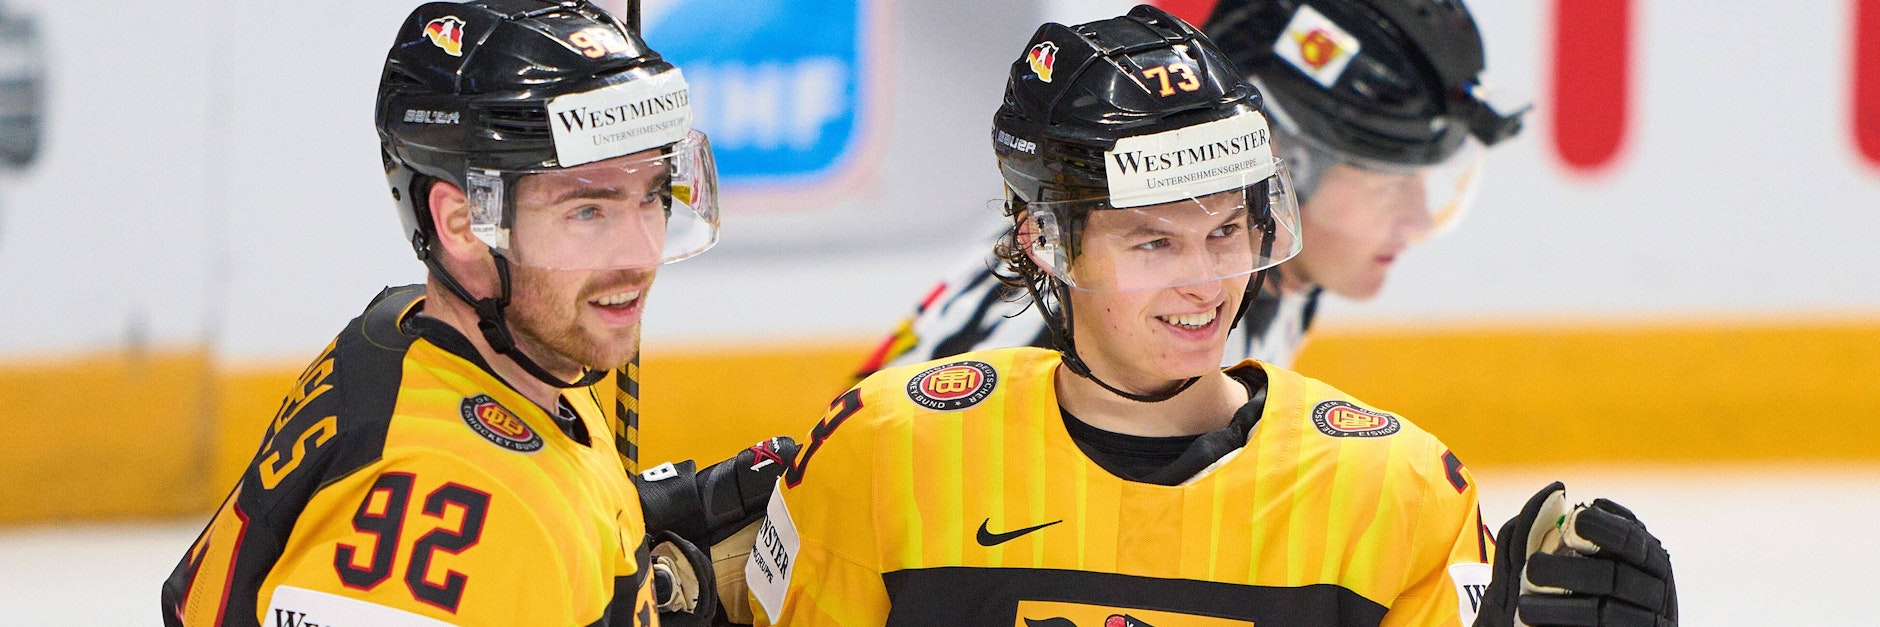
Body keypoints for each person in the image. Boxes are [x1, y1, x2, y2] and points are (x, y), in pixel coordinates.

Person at [747, 7, 1675, 626]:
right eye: (1388, 176)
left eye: (1228, 230)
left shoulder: (1224, 283)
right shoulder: (1051, 348)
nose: (1205, 280)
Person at [160, 1, 751, 624]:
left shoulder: (453, 346)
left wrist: (632, 538)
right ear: (462, 223)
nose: (640, 253)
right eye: (588, 211)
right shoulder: (458, 509)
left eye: (652, 195)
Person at [855, 0, 1527, 377]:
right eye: (1389, 185)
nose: (1413, 220)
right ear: (1279, 161)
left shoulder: (1256, 278)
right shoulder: (1111, 320)